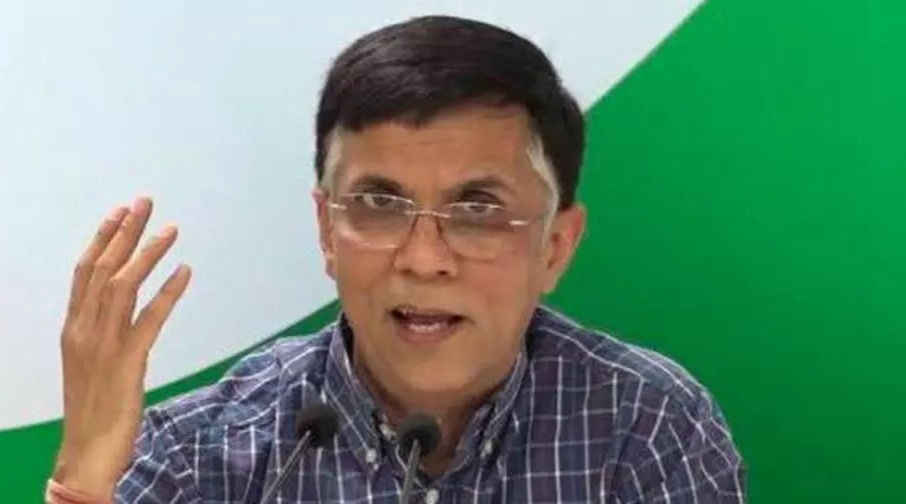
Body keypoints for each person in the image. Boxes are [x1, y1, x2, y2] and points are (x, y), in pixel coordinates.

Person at [47, 14, 746, 504]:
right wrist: (82, 479)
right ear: (327, 230)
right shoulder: (203, 453)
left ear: (555, 247)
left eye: (476, 210)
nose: (424, 258)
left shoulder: (644, 426)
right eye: (380, 204)